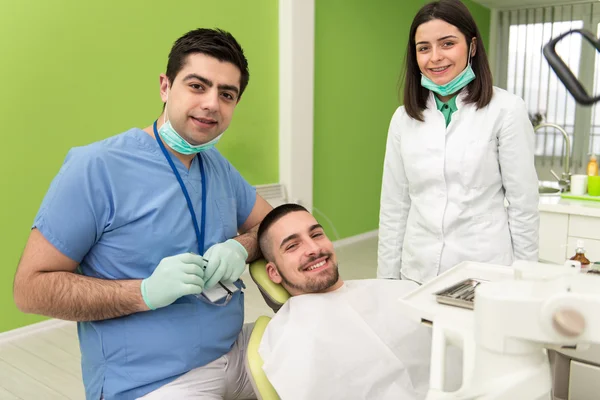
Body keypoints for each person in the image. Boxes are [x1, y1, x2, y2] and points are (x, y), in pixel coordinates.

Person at [13, 28, 272, 400]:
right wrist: (144, 292)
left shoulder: (215, 166)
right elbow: (30, 289)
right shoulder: (96, 167)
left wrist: (241, 248)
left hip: (235, 353)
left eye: (226, 94)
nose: (212, 103)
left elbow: (272, 224)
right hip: (153, 382)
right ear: (166, 87)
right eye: (197, 86)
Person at [378, 0, 539, 284]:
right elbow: (394, 206)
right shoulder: (403, 118)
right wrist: (386, 283)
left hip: (483, 268)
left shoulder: (507, 110)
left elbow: (523, 205)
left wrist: (524, 281)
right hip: (418, 267)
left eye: (447, 43)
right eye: (424, 48)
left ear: (472, 47)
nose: (435, 57)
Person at [255, 203, 447, 400]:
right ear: (274, 272)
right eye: (292, 246)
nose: (313, 248)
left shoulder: (402, 291)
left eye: (316, 235)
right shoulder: (293, 342)